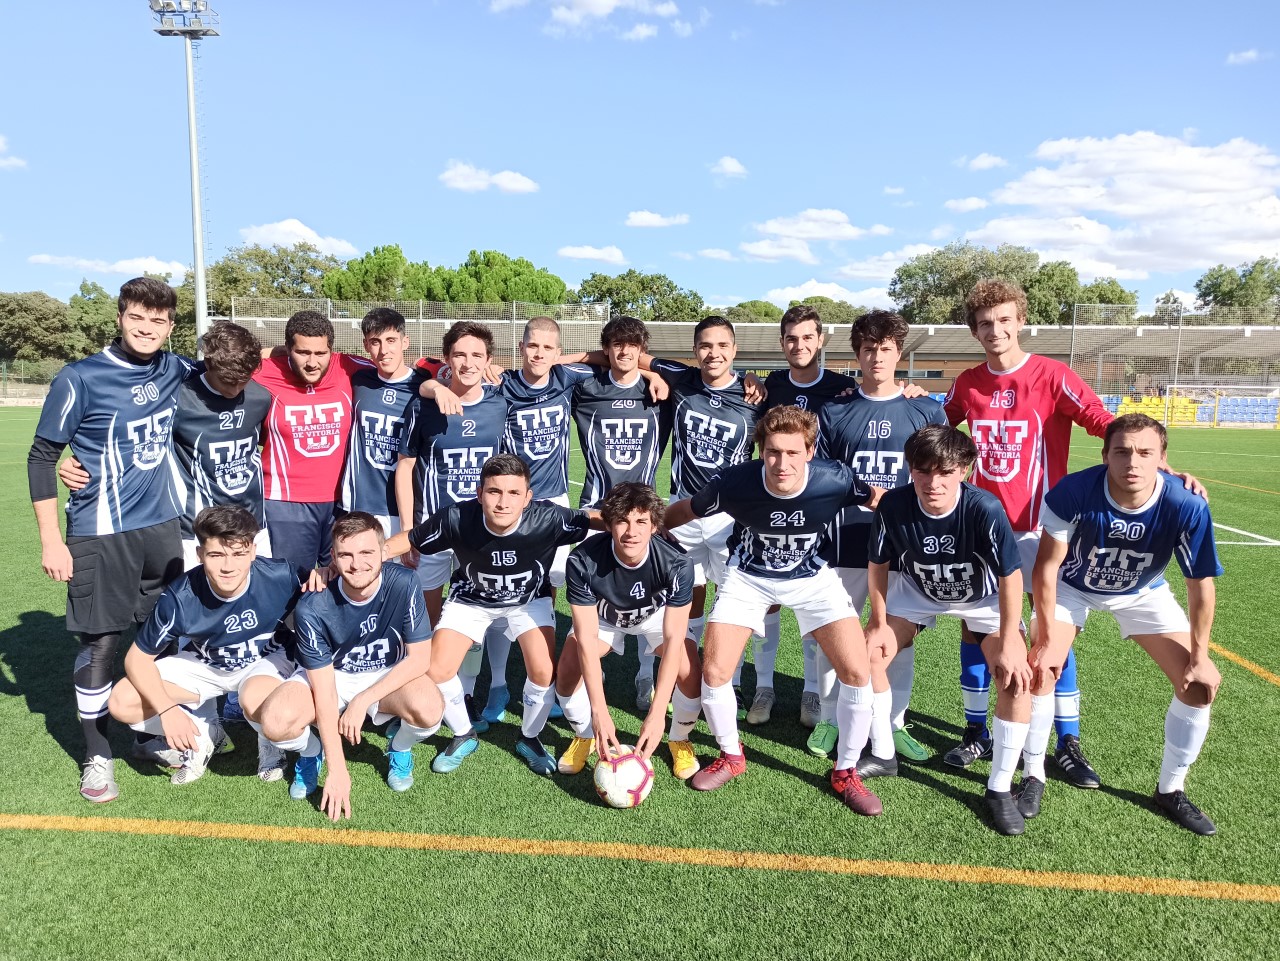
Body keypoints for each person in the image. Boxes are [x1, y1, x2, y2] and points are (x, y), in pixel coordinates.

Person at [664, 406, 885, 815]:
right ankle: (731, 755)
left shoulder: (834, 478)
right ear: (760, 450)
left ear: (810, 451)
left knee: (858, 672)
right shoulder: (735, 482)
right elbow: (684, 511)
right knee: (714, 672)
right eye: (772, 452)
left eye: (792, 453)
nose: (781, 463)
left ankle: (846, 771)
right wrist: (648, 532)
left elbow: (881, 501)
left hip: (812, 577)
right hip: (748, 575)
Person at [941, 279, 1113, 786]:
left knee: (1048, 633)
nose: (995, 330)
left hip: (1045, 530)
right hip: (984, 530)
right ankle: (976, 731)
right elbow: (937, 424)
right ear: (974, 331)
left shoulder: (1052, 375)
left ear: (1020, 322)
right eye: (985, 323)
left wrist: (1154, 457)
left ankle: (1067, 741)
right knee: (978, 628)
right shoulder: (968, 383)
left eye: (1004, 320)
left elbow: (1100, 420)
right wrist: (910, 397)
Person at [28, 277, 192, 802]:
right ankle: (97, 755)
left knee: (160, 638)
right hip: (100, 533)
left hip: (163, 529)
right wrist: (52, 541)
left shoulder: (175, 367)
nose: (147, 329)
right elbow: (41, 458)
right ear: (120, 317)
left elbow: (239, 365)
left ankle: (147, 734)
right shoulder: (80, 378)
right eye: (137, 318)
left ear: (170, 326)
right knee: (101, 644)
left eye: (158, 321)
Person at [1029, 414, 1223, 835]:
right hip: (1072, 587)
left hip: (1143, 592)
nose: (1132, 461)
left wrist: (1202, 657)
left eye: (1145, 452)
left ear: (1163, 459)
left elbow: (1200, 587)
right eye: (1122, 451)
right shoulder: (1075, 491)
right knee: (1040, 670)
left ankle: (1170, 789)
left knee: (1199, 685)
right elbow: (1046, 569)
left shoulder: (1186, 504)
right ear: (1105, 455)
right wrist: (1044, 638)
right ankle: (1032, 775)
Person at [863, 425, 1033, 835]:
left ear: (965, 471)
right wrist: (878, 621)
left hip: (982, 599)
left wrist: (1010, 639)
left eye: (945, 471)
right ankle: (884, 753)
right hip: (918, 592)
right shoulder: (895, 506)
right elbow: (879, 565)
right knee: (868, 653)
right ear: (910, 469)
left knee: (1015, 678)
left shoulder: (984, 508)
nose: (933, 482)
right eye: (922, 470)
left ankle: (998, 787)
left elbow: (1011, 577)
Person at [384, 454, 599, 776]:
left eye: (514, 493)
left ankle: (530, 737)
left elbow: (593, 518)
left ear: (528, 497)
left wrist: (646, 525)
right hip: (470, 599)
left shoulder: (549, 518)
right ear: (479, 492)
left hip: (528, 600)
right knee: (437, 668)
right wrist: (370, 555)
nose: (503, 502)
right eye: (494, 491)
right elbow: (411, 539)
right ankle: (463, 733)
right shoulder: (456, 518)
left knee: (542, 672)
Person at [806, 310, 948, 760]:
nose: (877, 357)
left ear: (898, 353)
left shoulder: (925, 409)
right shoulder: (836, 409)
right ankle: (831, 717)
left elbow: (941, 472)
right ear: (857, 354)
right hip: (846, 540)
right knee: (836, 634)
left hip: (906, 545)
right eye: (869, 348)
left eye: (886, 348)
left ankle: (893, 721)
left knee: (895, 639)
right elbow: (822, 475)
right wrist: (867, 494)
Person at [105, 506, 309, 786]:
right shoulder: (180, 597)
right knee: (121, 701)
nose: (228, 566)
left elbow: (327, 590)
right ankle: (203, 736)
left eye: (239, 554)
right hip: (207, 665)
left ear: (253, 551)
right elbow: (136, 660)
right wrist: (167, 710)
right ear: (200, 555)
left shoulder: (282, 576)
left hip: (265, 660)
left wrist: (324, 575)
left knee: (253, 698)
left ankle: (268, 740)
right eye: (216, 555)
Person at [257, 513, 443, 819]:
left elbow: (420, 659)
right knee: (276, 722)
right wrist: (338, 768)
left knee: (429, 709)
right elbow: (325, 689)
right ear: (333, 557)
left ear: (385, 551)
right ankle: (310, 751)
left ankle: (399, 747)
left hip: (384, 672)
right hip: (332, 676)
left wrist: (363, 700)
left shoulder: (405, 582)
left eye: (367, 552)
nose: (357, 564)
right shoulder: (313, 605)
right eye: (346, 554)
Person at [556, 483, 702, 779]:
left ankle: (678, 739)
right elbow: (585, 639)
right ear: (608, 524)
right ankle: (584, 735)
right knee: (568, 667)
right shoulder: (581, 561)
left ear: (654, 526)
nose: (631, 531)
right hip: (606, 618)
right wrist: (599, 711)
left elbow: (673, 638)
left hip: (654, 617)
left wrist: (658, 712)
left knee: (690, 673)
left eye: (641, 522)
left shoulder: (678, 563)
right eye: (622, 520)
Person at [762, 304, 859, 728]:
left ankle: (811, 692)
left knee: (810, 600)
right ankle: (764, 685)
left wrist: (909, 388)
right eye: (790, 338)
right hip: (770, 505)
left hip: (820, 510)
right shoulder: (770, 385)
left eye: (806, 337)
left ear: (820, 340)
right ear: (782, 343)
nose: (798, 345)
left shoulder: (843, 387)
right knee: (765, 599)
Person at [395, 322, 509, 661]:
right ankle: (422, 686)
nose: (468, 362)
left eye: (477, 355)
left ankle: (472, 688)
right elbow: (405, 467)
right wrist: (407, 530)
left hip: (482, 528)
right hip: (434, 526)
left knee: (481, 615)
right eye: (460, 354)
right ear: (447, 358)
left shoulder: (500, 405)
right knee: (426, 616)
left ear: (489, 360)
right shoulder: (423, 406)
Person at [254, 310, 371, 573]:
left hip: (341, 503)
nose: (312, 362)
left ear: (332, 350)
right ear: (287, 349)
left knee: (345, 581)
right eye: (302, 352)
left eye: (320, 353)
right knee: (291, 585)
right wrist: (268, 353)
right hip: (285, 505)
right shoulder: (264, 372)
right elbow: (224, 362)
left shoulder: (346, 366)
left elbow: (398, 371)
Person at [341, 307, 434, 538]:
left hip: (407, 506)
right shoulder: (358, 380)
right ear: (366, 345)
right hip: (359, 503)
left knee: (403, 574)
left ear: (405, 342)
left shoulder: (426, 385)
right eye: (375, 342)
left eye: (391, 340)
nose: (384, 350)